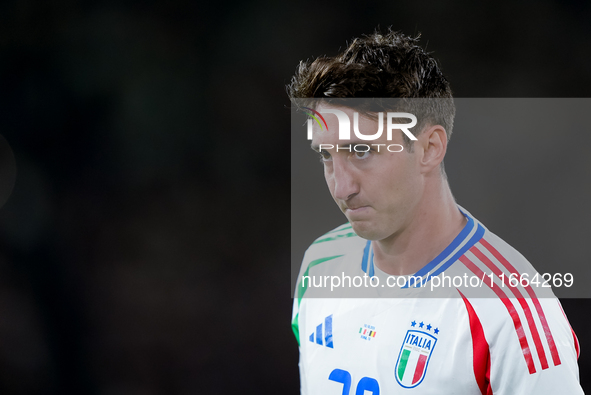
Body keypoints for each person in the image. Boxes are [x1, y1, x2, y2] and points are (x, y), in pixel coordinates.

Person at [288, 30, 582, 394]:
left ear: (429, 148)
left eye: (362, 150)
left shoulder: (512, 312)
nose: (340, 187)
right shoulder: (320, 265)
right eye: (326, 156)